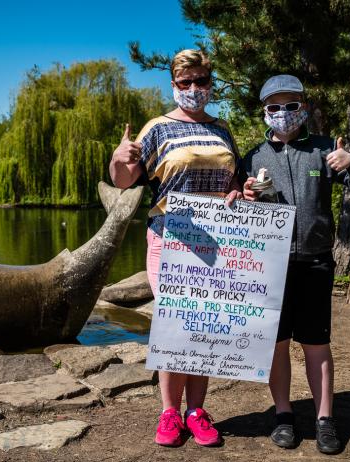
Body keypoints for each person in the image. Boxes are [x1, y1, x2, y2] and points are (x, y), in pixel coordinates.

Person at [109, 49, 242, 447]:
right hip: (170, 239)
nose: (194, 89)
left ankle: (197, 411)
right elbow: (123, 181)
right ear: (174, 85)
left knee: (202, 325)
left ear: (209, 84)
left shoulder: (223, 129)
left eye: (201, 81)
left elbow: (235, 179)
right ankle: (169, 413)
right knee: (175, 324)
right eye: (185, 83)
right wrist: (119, 158)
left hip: (218, 240)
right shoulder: (157, 128)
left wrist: (239, 190)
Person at [241, 75, 350, 455]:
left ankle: (325, 419)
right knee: (277, 344)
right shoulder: (252, 157)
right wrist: (246, 193)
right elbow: (235, 201)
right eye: (274, 107)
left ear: (304, 106)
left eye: (290, 105)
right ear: (264, 112)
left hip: (315, 262)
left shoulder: (323, 149)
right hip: (270, 267)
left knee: (316, 344)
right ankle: (283, 415)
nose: (282, 114)